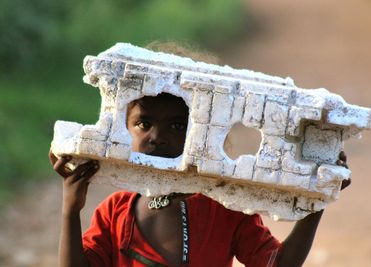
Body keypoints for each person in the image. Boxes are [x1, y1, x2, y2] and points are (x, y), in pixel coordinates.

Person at [49, 46, 350, 267]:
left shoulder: (226, 208)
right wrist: (70, 211)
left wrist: (316, 199)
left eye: (178, 126)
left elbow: (277, 264)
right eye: (143, 123)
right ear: (124, 127)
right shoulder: (115, 212)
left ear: (206, 132)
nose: (156, 137)